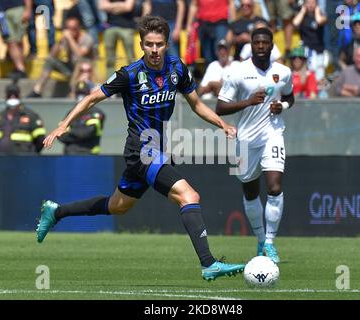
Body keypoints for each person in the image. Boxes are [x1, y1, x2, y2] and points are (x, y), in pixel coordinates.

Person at [36, 15, 245, 281]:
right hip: (141, 150)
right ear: (141, 44)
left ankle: (56, 212)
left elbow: (197, 104)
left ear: (167, 43)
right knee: (189, 196)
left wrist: (222, 124)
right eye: (149, 44)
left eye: (159, 44)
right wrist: (64, 124)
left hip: (156, 150)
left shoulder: (177, 68)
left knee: (118, 206)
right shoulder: (130, 74)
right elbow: (92, 97)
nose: (154, 50)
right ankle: (209, 263)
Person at [216, 27, 295, 263]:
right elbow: (220, 107)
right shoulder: (238, 72)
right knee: (250, 192)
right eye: (257, 43)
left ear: (272, 46)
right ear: (252, 45)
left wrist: (283, 106)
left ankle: (270, 243)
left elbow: (290, 97)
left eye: (265, 43)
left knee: (274, 187)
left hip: (273, 134)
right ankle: (260, 239)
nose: (261, 46)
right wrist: (248, 102)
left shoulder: (283, 72)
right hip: (246, 138)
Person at [27, 17, 95, 98]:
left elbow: (80, 55)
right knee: (50, 61)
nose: (70, 31)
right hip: (70, 68)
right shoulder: (66, 39)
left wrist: (70, 39)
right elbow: (52, 55)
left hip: (84, 70)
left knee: (81, 63)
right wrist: (59, 42)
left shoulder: (87, 38)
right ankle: (37, 90)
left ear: (79, 28)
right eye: (68, 28)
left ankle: (75, 93)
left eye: (73, 28)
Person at [0, 82, 46, 154]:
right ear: (6, 97)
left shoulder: (30, 115)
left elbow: (40, 140)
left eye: (15, 95)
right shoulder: (1, 116)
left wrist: (32, 154)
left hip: (24, 159)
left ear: (19, 96)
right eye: (9, 95)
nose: (12, 97)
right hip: (2, 159)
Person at [59, 81, 106, 155]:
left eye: (84, 94)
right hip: (69, 155)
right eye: (78, 94)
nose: (80, 97)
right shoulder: (70, 113)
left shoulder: (96, 113)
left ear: (89, 94)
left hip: (89, 154)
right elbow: (61, 136)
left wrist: (70, 132)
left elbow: (86, 133)